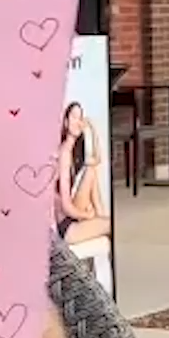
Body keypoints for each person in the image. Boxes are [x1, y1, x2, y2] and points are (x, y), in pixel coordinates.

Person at [55, 100, 111, 245]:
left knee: (91, 170)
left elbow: (97, 158)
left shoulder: (74, 151)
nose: (78, 121)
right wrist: (86, 215)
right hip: (67, 228)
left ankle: (100, 216)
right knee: (110, 225)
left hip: (72, 217)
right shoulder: (64, 154)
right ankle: (99, 218)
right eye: (74, 116)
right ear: (66, 123)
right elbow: (66, 206)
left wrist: (92, 127)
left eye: (80, 117)